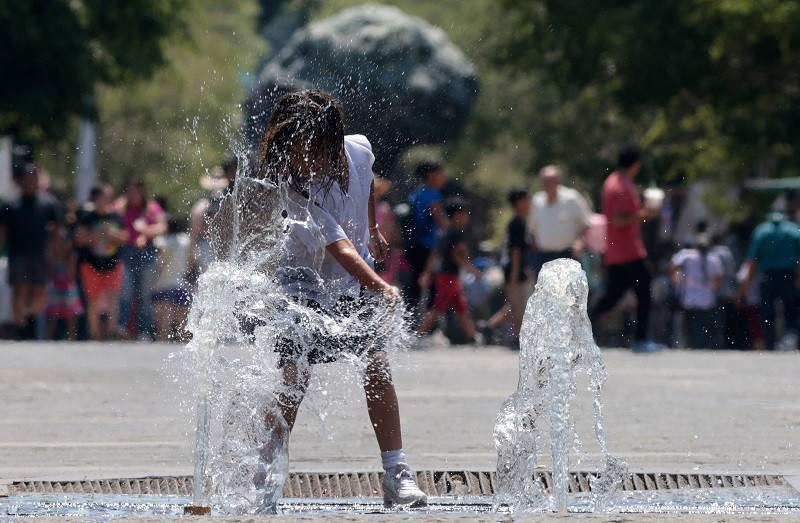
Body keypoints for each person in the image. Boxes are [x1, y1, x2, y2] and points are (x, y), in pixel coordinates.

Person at [257, 90, 426, 510]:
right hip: (303, 285)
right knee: (293, 376)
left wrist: (373, 227)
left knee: (377, 366)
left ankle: (396, 473)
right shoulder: (298, 190)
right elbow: (339, 246)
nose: (302, 164)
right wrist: (380, 285)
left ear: (331, 143)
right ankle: (265, 474)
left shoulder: (359, 148)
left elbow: (366, 189)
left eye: (309, 154)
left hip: (353, 283)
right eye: (293, 155)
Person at [588, 144, 661, 352]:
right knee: (644, 293)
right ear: (636, 164)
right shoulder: (621, 186)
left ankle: (579, 324)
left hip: (617, 251)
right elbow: (619, 220)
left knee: (612, 296)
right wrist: (645, 213)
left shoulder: (612, 182)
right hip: (628, 251)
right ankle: (641, 339)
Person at [0, 163, 62, 340]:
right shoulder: (10, 204)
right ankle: (21, 329)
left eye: (33, 179)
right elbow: (2, 231)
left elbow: (57, 231)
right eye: (26, 179)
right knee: (19, 290)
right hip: (17, 253)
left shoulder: (49, 203)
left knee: (40, 291)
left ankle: (30, 318)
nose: (30, 182)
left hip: (40, 254)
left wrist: (56, 252)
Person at [417, 197, 482, 343]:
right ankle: (419, 335)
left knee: (461, 307)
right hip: (449, 277)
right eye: (465, 214)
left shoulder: (445, 233)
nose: (467, 217)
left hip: (445, 276)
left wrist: (427, 273)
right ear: (458, 215)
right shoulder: (456, 234)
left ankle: (472, 337)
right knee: (437, 308)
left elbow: (435, 253)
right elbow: (458, 256)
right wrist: (473, 271)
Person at [737, 210, 800, 351]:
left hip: (768, 277)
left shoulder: (762, 231)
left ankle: (770, 344)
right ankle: (790, 339)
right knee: (792, 310)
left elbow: (753, 259)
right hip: (788, 276)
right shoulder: (794, 231)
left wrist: (747, 282)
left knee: (767, 312)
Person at [74, 184, 128, 341]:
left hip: (112, 264)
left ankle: (111, 332)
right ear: (97, 198)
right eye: (105, 196)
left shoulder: (115, 217)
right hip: (91, 264)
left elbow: (124, 237)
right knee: (93, 299)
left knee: (113, 298)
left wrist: (110, 233)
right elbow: (79, 239)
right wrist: (96, 235)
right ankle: (95, 333)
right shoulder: (87, 217)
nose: (108, 200)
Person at [116, 179, 168, 339]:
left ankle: (144, 331)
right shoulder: (120, 207)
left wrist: (146, 232)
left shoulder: (151, 208)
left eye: (135, 191)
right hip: (127, 251)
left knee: (144, 294)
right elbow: (110, 220)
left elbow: (162, 226)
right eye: (129, 191)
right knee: (125, 291)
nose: (131, 195)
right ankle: (121, 329)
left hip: (147, 252)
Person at [485, 188, 533, 347]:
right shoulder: (516, 224)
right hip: (514, 270)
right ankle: (519, 338)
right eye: (526, 200)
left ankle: (488, 327)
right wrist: (514, 273)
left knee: (513, 305)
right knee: (519, 306)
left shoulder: (521, 222)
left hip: (518, 269)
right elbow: (515, 250)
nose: (529, 203)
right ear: (519, 202)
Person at [529, 165, 592, 278]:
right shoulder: (536, 201)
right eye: (544, 181)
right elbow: (532, 229)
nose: (547, 184)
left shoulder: (571, 198)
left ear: (558, 181)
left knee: (570, 293)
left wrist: (580, 241)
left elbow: (585, 223)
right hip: (544, 257)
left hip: (567, 255)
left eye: (550, 181)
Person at [405, 161, 448, 315]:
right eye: (441, 173)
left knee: (415, 285)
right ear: (431, 175)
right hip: (427, 246)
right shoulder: (432, 194)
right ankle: (425, 328)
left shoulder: (416, 192)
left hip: (414, 245)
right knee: (433, 286)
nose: (444, 177)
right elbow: (442, 222)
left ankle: (407, 321)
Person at [669, 234, 723, 349]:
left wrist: (677, 281)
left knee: (688, 324)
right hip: (707, 299)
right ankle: (701, 345)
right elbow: (718, 279)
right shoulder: (714, 259)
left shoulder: (687, 256)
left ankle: (691, 345)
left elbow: (674, 267)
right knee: (703, 325)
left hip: (689, 297)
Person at [44, 226, 83, 340]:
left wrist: (69, 257)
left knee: (71, 313)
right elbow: (50, 265)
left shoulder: (71, 254)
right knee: (52, 312)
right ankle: (48, 337)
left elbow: (73, 273)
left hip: (67, 282)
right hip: (55, 282)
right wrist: (55, 250)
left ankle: (72, 337)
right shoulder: (51, 249)